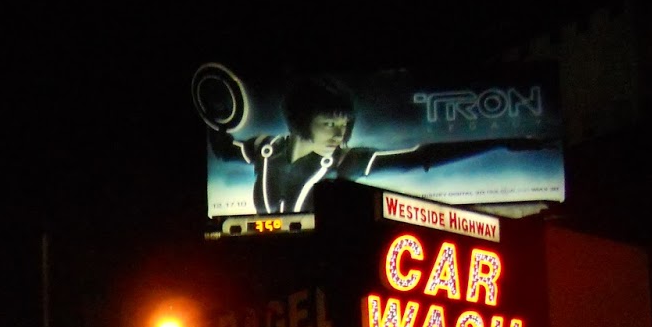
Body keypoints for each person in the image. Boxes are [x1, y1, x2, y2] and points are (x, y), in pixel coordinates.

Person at [194, 64, 551, 216]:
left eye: (343, 123)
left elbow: (417, 157)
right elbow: (224, 151)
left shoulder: (343, 161)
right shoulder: (267, 149)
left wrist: (500, 141)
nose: (338, 132)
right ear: (304, 120)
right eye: (328, 122)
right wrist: (212, 113)